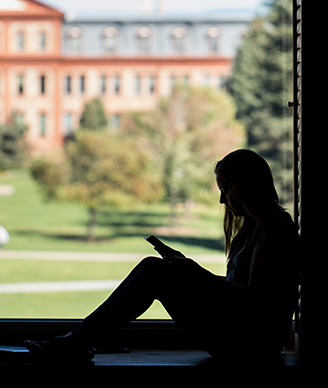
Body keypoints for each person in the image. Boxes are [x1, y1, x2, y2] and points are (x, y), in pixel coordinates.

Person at [24, 149, 300, 363]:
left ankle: (75, 342)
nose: (222, 200)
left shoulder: (275, 231)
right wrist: (190, 272)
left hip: (250, 346)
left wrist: (196, 274)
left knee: (154, 272)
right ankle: (77, 341)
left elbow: (255, 300)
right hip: (243, 337)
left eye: (225, 189)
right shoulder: (261, 227)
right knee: (156, 269)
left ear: (244, 186)